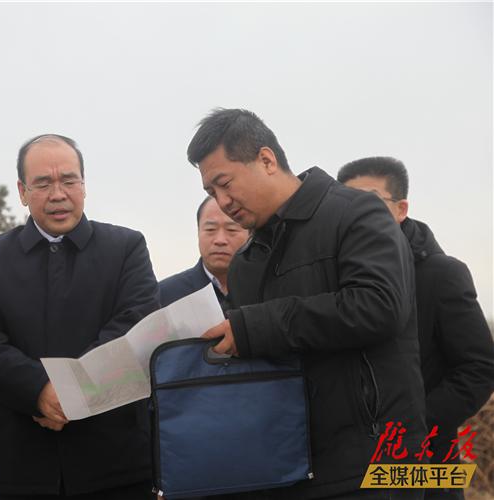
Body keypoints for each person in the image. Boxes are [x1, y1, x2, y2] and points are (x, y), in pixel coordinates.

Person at [189, 108, 426, 499]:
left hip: (374, 464)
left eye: (225, 183)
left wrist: (255, 327)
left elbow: (379, 306)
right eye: (211, 193)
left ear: (267, 160)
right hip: (287, 467)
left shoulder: (356, 213)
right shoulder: (246, 262)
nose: (223, 201)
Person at [0, 134, 159, 499]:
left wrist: (74, 392)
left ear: (84, 185)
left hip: (116, 462)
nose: (58, 194)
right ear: (22, 191)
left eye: (68, 180)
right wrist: (39, 390)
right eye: (43, 183)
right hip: (25, 462)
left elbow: (135, 323)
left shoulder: (126, 248)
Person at [338, 156, 494, 500]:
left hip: (427, 457)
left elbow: (479, 368)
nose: (357, 216)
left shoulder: (442, 274)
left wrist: (414, 424)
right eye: (348, 205)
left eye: (371, 204)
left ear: (401, 209)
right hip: (350, 461)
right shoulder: (337, 276)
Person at [159, 195, 250, 309]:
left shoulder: (265, 289)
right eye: (210, 229)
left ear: (250, 235)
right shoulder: (164, 294)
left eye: (231, 230)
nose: (220, 240)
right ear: (198, 232)